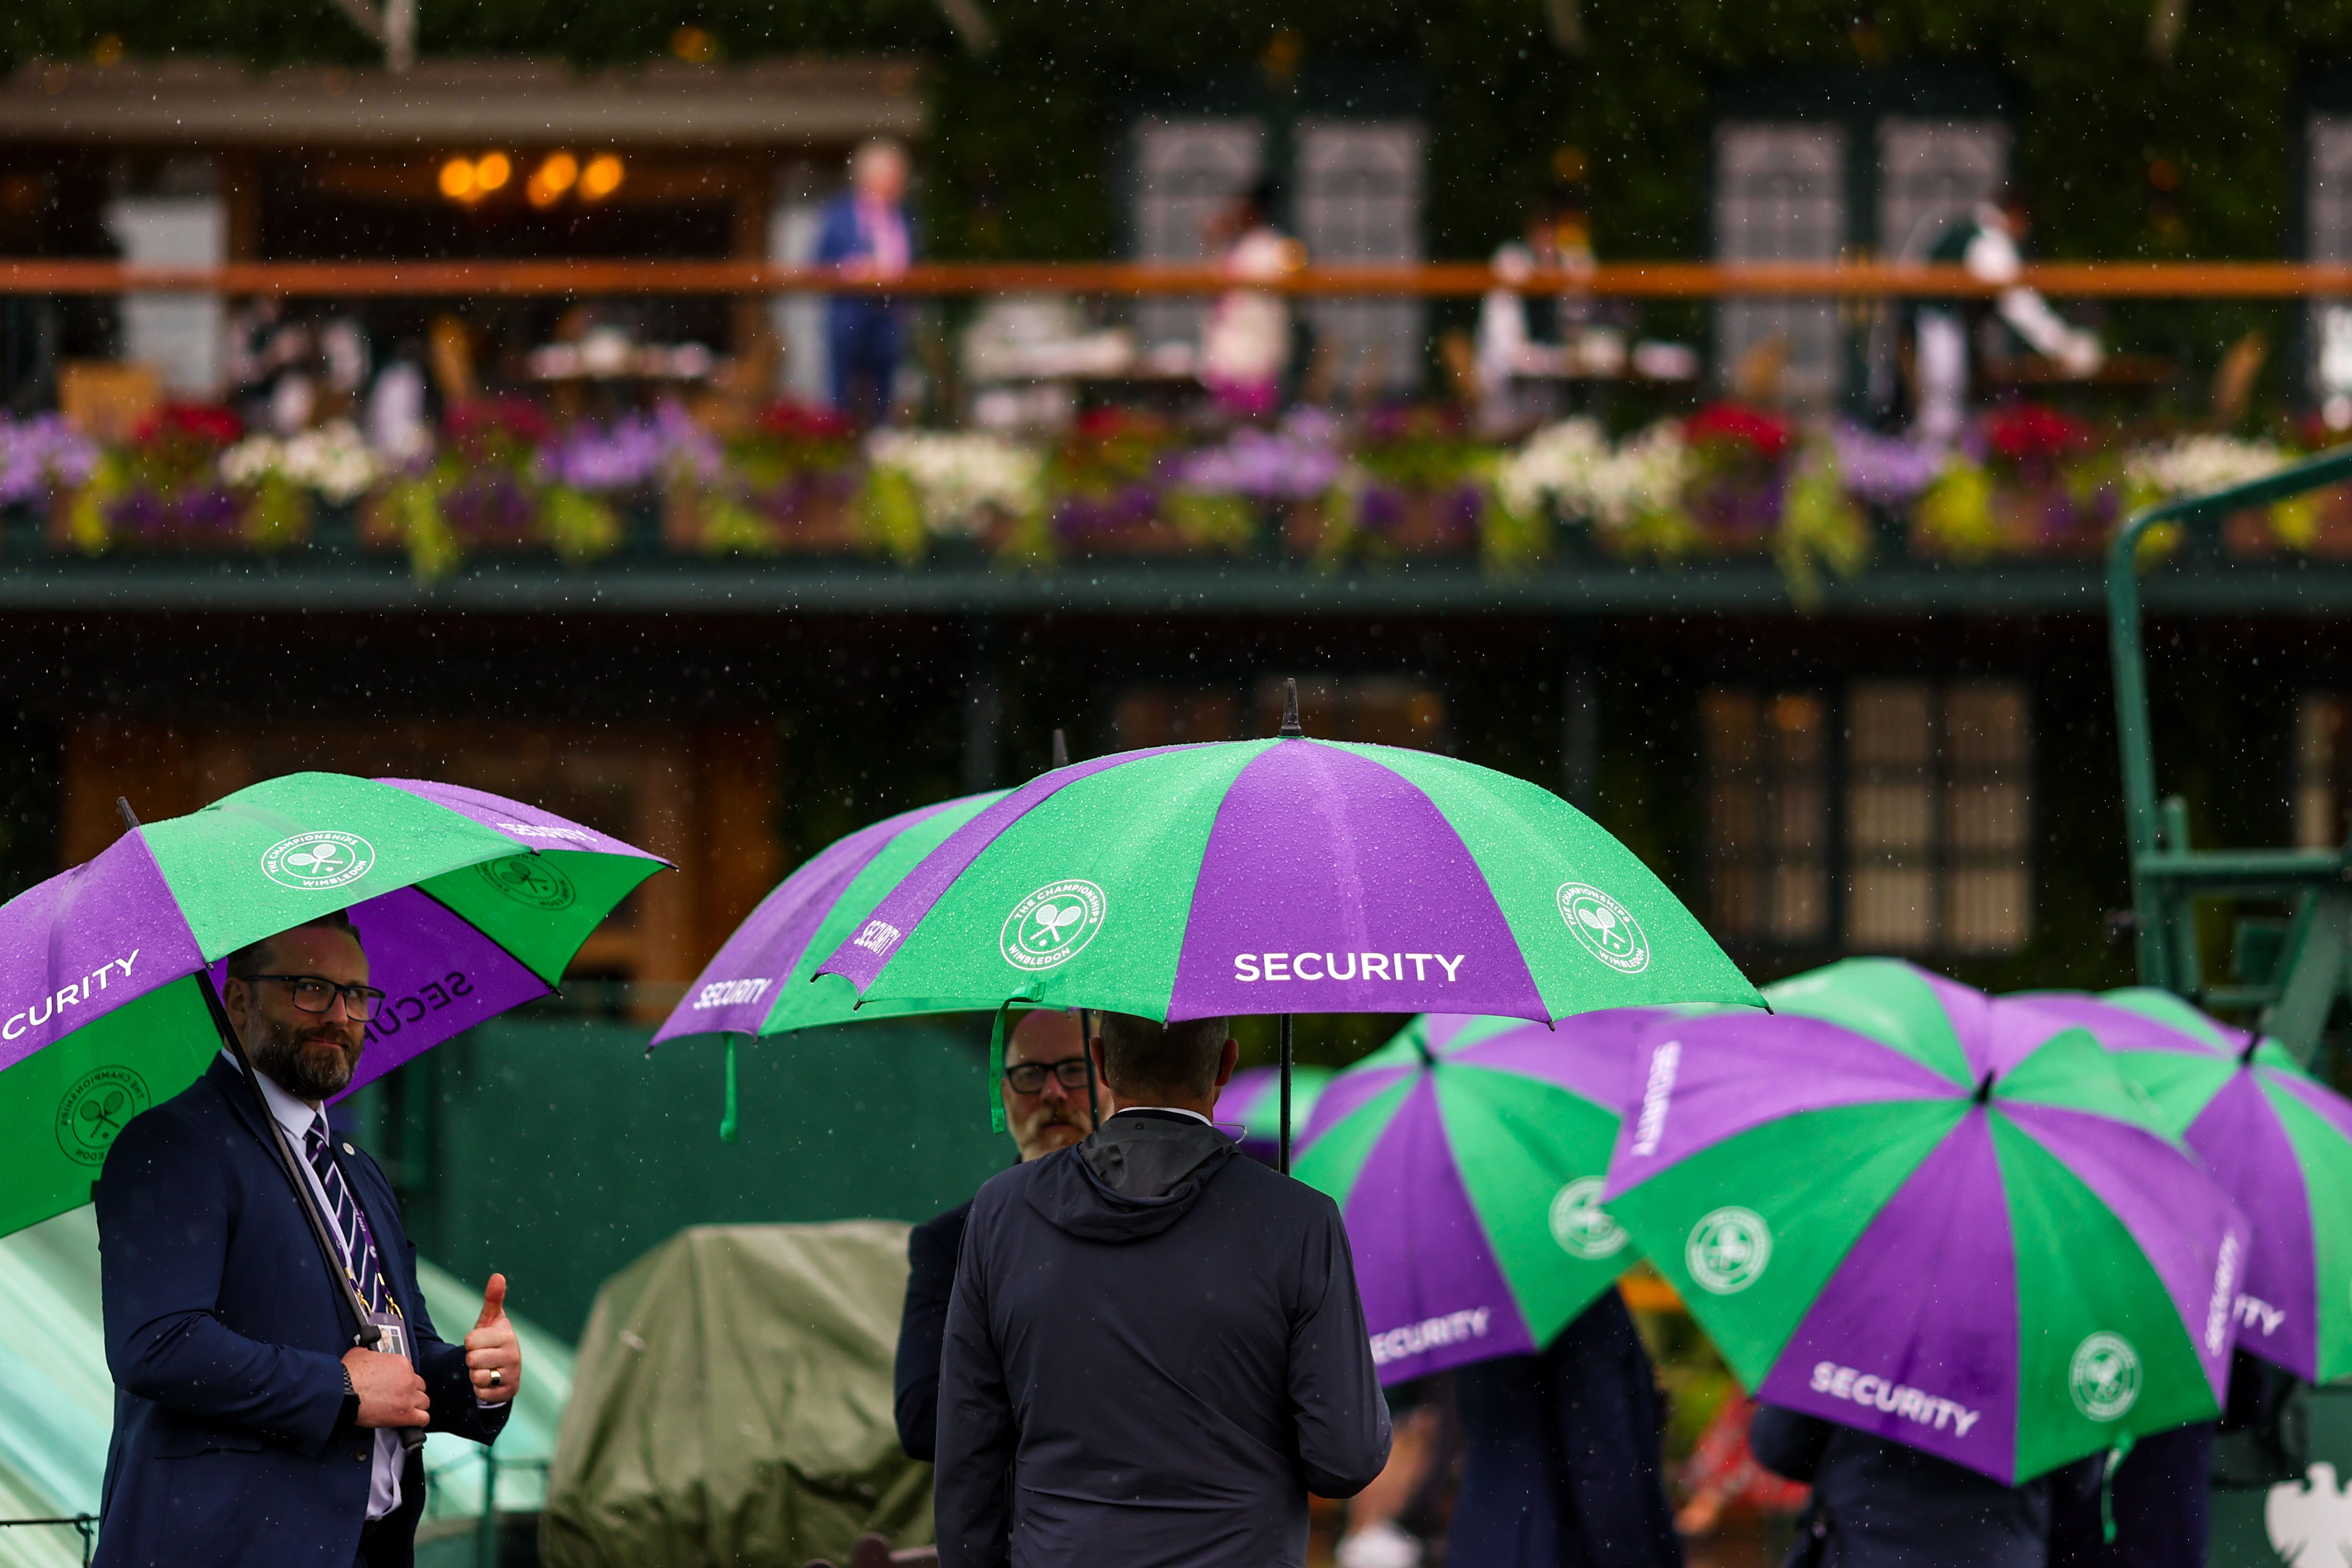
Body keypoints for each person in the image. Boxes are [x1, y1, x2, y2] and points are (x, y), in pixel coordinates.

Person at [94, 910, 519, 1568]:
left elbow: (398, 1358)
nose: (340, 1014)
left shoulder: (356, 1168)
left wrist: (479, 1376)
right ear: (237, 1000)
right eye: (311, 988)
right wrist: (340, 1390)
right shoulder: (174, 1143)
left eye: (356, 995)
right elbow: (157, 1344)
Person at [934, 1012, 1392, 1567]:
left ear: (1100, 1062)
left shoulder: (1002, 1212)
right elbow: (1345, 1459)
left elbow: (968, 1459)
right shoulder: (1300, 1221)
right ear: (1226, 1063)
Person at [893, 1008, 1102, 1461]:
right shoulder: (953, 1242)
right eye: (1030, 1075)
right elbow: (921, 1418)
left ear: (1109, 1081)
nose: (1053, 1092)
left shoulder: (1163, 1217)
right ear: (1003, 1093)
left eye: (1074, 1070)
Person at [1446, 1289, 1684, 1568]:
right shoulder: (1575, 1291)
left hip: (1484, 1538)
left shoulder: (1471, 1296)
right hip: (1561, 1545)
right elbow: (1599, 1456)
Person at [1751, 1403, 2089, 1568]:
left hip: (1864, 1550)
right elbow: (2079, 1479)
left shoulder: (1854, 1304)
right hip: (1996, 1553)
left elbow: (1780, 1447)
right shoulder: (2048, 1324)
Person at [1904, 191, 2101, 448]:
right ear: (2017, 217)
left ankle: (1930, 466)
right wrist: (2062, 344)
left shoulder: (1970, 230)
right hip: (1936, 323)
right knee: (1942, 401)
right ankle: (1928, 471)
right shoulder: (1990, 243)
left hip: (1932, 320)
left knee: (1941, 401)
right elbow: (2018, 305)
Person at [815, 139, 915, 425]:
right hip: (850, 312)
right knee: (842, 392)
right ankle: (840, 452)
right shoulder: (838, 215)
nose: (897, 181)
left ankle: (880, 449)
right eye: (891, 174)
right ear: (868, 176)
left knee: (885, 390)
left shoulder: (906, 215)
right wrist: (852, 270)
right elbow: (819, 263)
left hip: (891, 313)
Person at [1200, 182, 1298, 420]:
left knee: (1254, 414)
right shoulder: (1236, 246)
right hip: (1231, 341)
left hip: (1255, 340)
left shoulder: (1272, 247)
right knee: (1226, 411)